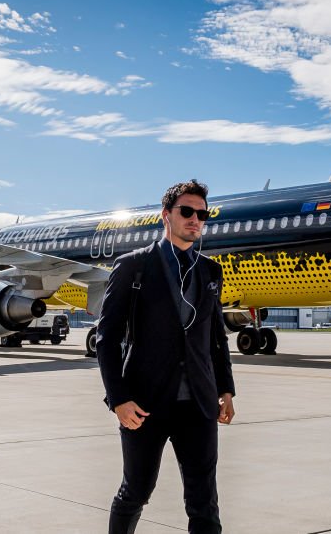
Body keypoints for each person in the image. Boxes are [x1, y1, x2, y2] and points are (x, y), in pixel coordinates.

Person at [97, 180, 235, 534]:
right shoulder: (133, 266)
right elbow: (106, 338)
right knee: (136, 491)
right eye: (187, 211)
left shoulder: (210, 270)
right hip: (144, 404)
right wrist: (118, 400)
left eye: (201, 214)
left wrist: (226, 389)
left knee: (204, 501)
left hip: (199, 403)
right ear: (166, 216)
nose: (195, 219)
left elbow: (215, 336)